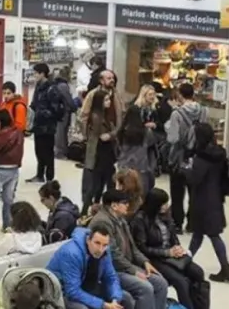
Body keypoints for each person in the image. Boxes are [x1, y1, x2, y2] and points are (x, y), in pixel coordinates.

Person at [92, 189, 169, 309]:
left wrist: (144, 262)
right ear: (114, 205)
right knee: (145, 288)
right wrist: (134, 271)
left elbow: (133, 248)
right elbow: (113, 255)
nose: (128, 206)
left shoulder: (121, 220)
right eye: (124, 203)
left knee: (161, 283)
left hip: (127, 266)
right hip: (113, 271)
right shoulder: (103, 223)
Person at [131, 188, 213, 309]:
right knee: (181, 282)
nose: (166, 206)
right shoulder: (140, 220)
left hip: (172, 255)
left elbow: (173, 235)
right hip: (154, 258)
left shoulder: (165, 216)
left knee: (198, 273)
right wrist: (166, 253)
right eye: (163, 204)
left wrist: (177, 248)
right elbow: (141, 247)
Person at [183, 122, 229, 282]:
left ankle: (225, 268)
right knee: (206, 234)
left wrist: (185, 170)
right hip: (215, 198)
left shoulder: (201, 157)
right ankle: (187, 262)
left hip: (202, 199)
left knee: (207, 234)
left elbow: (195, 178)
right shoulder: (219, 154)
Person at [165, 82, 208, 231]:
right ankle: (193, 222)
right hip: (197, 156)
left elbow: (173, 138)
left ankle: (177, 223)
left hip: (178, 156)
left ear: (180, 95)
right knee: (194, 192)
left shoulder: (176, 114)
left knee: (177, 192)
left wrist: (167, 127)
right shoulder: (203, 111)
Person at [80, 88, 118, 216]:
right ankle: (88, 211)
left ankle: (91, 210)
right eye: (106, 100)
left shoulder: (105, 115)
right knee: (98, 186)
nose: (109, 102)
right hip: (100, 155)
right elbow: (102, 135)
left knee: (99, 186)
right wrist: (112, 134)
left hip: (105, 155)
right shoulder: (96, 117)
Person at [117, 85, 158, 196]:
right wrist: (145, 127)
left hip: (147, 145)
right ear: (143, 95)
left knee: (146, 173)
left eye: (154, 94)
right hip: (134, 144)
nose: (152, 97)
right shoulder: (135, 109)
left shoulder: (152, 110)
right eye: (150, 94)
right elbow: (129, 127)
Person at [28, 63, 65, 184]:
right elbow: (35, 104)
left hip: (48, 126)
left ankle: (49, 178)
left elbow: (55, 109)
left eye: (35, 73)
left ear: (42, 73)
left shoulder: (51, 88)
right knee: (38, 151)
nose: (34, 76)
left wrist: (43, 113)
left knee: (48, 152)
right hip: (38, 125)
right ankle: (39, 175)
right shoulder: (38, 87)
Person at [53, 66, 77, 159]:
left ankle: (62, 151)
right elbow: (68, 99)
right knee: (61, 132)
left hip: (59, 111)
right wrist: (74, 108)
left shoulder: (58, 84)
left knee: (61, 132)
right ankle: (59, 152)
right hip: (63, 112)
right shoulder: (63, 85)